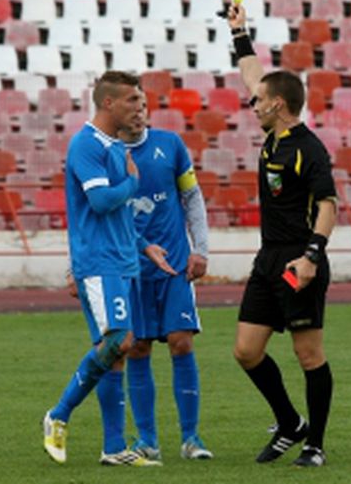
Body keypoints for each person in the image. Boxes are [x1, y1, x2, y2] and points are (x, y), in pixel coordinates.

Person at [225, 2, 338, 467]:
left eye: (258, 100)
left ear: (279, 104)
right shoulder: (272, 133)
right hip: (269, 258)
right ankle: (291, 424)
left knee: (307, 354)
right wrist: (239, 32)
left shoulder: (309, 150)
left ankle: (315, 445)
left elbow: (328, 205)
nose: (252, 103)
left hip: (298, 261)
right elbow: (253, 75)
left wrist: (311, 258)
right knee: (246, 351)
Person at [43, 71, 171, 467]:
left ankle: (114, 448)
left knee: (117, 351)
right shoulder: (86, 144)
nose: (140, 107)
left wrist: (143, 245)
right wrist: (132, 184)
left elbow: (117, 215)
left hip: (124, 259)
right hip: (98, 262)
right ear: (109, 103)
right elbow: (99, 201)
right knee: (119, 340)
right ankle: (58, 414)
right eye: (133, 100)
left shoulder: (115, 148)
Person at [114, 95, 214, 462]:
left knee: (181, 342)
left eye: (143, 105)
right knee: (137, 347)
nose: (139, 112)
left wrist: (200, 248)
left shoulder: (170, 145)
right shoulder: (106, 155)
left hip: (174, 264)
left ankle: (191, 438)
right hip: (130, 269)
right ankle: (147, 441)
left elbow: (192, 197)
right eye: (133, 105)